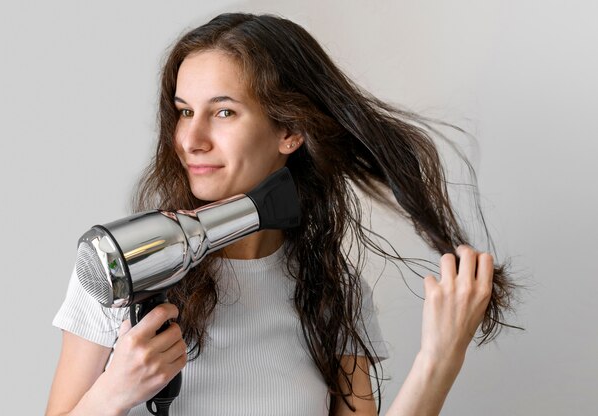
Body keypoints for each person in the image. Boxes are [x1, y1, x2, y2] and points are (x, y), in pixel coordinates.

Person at [46, 12, 515, 416]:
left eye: (224, 112)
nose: (191, 140)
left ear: (289, 131)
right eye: (185, 112)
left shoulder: (331, 295)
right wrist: (112, 393)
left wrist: (440, 356)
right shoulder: (119, 269)